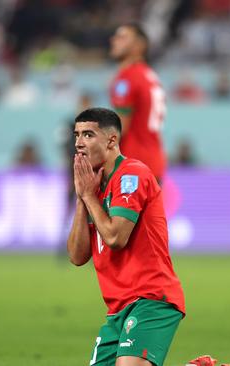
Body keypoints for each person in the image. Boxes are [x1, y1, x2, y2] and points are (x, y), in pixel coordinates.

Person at [67, 107, 185, 366]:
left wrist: (88, 196)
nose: (78, 142)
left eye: (88, 135)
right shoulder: (93, 186)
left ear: (111, 140)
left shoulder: (132, 174)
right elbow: (77, 256)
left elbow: (115, 238)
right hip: (117, 309)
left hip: (151, 299)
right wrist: (81, 197)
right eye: (76, 135)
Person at [109, 23, 167, 182]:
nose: (114, 40)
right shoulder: (150, 75)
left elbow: (120, 127)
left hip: (132, 165)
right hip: (154, 164)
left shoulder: (127, 78)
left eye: (122, 37)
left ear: (139, 46)